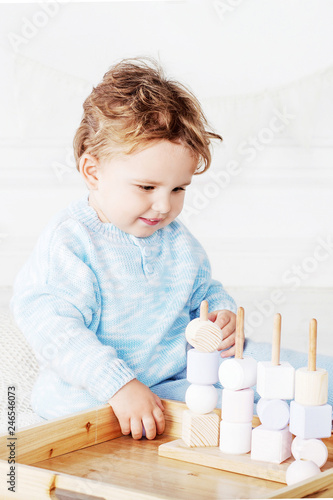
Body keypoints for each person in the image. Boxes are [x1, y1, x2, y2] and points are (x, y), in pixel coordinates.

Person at [10, 57, 237, 440]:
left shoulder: (178, 240)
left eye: (178, 189)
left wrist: (222, 313)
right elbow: (54, 329)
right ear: (93, 172)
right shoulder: (71, 242)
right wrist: (119, 385)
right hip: (90, 404)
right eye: (147, 188)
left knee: (263, 386)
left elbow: (203, 291)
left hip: (167, 383)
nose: (165, 206)